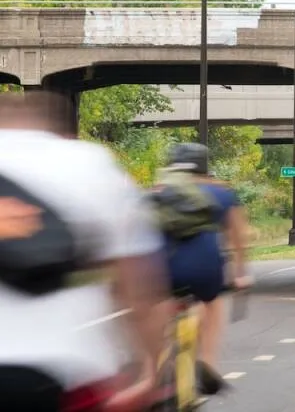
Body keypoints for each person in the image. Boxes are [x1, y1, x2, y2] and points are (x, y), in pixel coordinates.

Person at [0, 90, 171, 411]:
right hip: (64, 371)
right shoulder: (88, 163)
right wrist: (152, 370)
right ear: (66, 133)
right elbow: (138, 289)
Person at [154, 142, 252, 395]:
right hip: (205, 266)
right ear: (204, 166)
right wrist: (241, 274)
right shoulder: (222, 194)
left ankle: (155, 365)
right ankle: (207, 363)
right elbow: (239, 239)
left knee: (159, 306)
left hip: (163, 266)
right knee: (213, 302)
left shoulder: (158, 191)